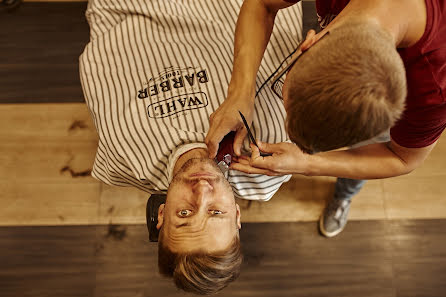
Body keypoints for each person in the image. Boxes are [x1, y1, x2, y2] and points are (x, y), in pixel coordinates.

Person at [79, 0, 302, 294]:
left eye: (184, 214)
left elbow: (98, 57)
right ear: (237, 214)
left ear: (161, 215)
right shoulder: (271, 155)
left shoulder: (124, 157)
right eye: (215, 212)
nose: (201, 191)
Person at [206, 0, 446, 238]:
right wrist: (240, 93)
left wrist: (307, 164)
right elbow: (263, 3)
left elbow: (402, 158)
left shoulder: (435, 90)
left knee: (366, 157)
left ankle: (344, 196)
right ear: (309, 42)